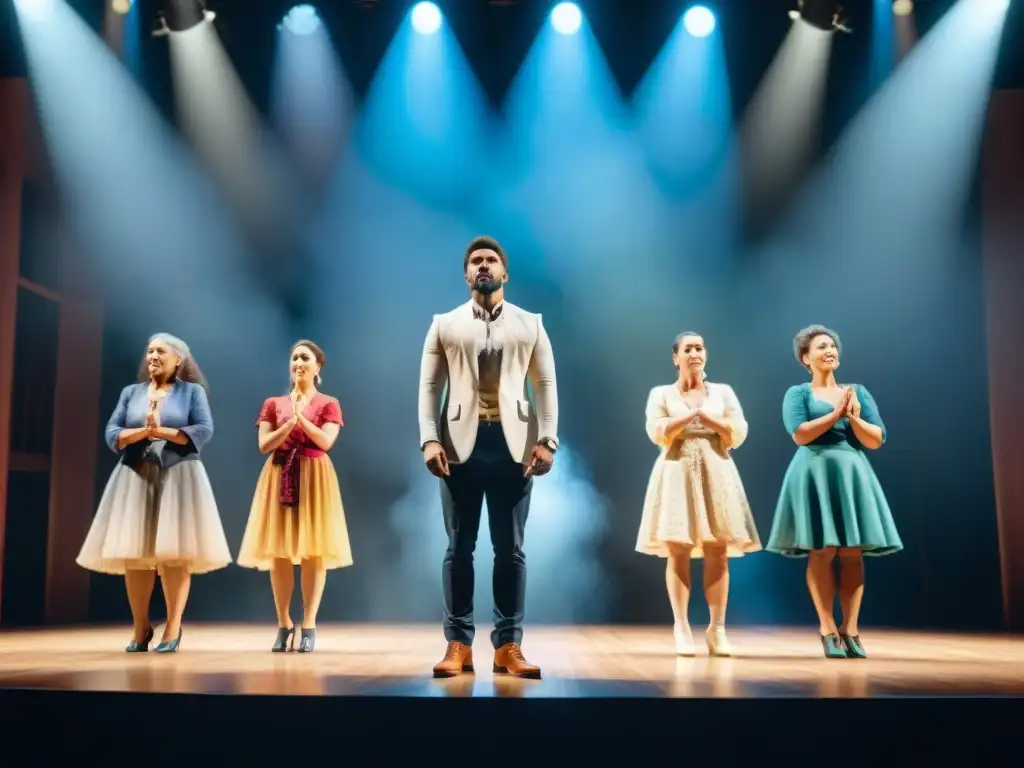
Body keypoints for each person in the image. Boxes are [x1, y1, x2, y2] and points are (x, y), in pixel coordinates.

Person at [418, 236, 559, 680]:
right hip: (459, 446)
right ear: (466, 274)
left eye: (491, 260)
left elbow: (546, 384)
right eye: (475, 261)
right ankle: (458, 642)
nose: (483, 266)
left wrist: (548, 440)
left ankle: (508, 644)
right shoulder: (445, 323)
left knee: (510, 550)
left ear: (504, 272)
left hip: (514, 446)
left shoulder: (530, 323)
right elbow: (428, 388)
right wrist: (429, 439)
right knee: (459, 546)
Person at [76, 333, 232, 652]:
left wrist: (160, 431)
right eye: (149, 351)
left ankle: (173, 627)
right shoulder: (131, 393)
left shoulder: (192, 392)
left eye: (161, 351)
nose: (153, 356)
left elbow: (204, 429)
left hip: (178, 475)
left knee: (175, 553)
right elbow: (112, 432)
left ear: (179, 360)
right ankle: (140, 627)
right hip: (136, 474)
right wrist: (141, 433)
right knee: (135, 555)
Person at [766, 325, 902, 659]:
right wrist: (836, 413)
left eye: (833, 346)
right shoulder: (797, 393)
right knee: (823, 550)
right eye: (821, 347)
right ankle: (827, 627)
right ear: (805, 358)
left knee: (853, 551)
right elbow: (800, 434)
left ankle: (851, 628)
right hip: (814, 470)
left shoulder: (857, 391)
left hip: (852, 472)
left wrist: (852, 418)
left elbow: (876, 438)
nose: (829, 351)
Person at [637, 331, 761, 657]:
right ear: (675, 357)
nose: (695, 353)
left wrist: (707, 418)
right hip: (676, 468)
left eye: (700, 347)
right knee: (678, 547)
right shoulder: (662, 393)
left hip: (716, 468)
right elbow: (656, 431)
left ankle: (717, 629)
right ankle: (681, 626)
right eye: (688, 348)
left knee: (716, 549)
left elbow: (738, 431)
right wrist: (686, 418)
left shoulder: (722, 392)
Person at [237, 339, 353, 653]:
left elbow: (325, 441)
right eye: (294, 358)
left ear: (318, 367)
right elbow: (264, 444)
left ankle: (310, 622)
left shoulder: (329, 402)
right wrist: (290, 420)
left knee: (315, 551)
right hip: (279, 472)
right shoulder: (274, 403)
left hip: (314, 473)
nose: (298, 362)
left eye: (305, 357)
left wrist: (301, 417)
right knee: (279, 551)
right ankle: (283, 622)